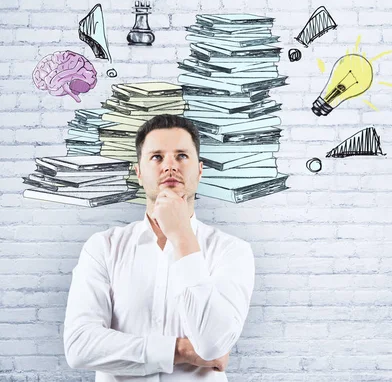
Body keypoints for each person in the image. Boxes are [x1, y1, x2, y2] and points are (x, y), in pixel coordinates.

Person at [63, 114, 255, 381]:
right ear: (139, 173)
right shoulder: (103, 248)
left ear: (199, 170)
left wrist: (181, 235)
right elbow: (80, 346)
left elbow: (212, 344)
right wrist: (180, 349)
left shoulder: (232, 251)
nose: (170, 166)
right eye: (156, 157)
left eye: (181, 156)